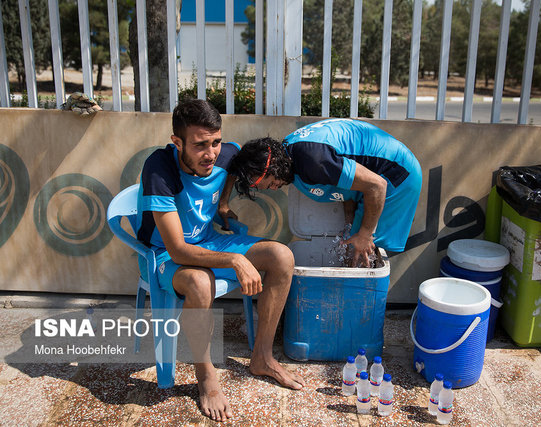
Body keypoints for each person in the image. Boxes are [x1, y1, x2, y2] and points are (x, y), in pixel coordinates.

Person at [136, 99, 304, 422]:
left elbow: (232, 159)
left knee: (282, 256)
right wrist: (234, 261)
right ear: (177, 142)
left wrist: (223, 203)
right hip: (165, 256)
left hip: (209, 241)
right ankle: (205, 375)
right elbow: (178, 250)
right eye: (200, 145)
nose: (211, 153)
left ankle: (263, 357)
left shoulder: (224, 154)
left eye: (215, 141)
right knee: (200, 282)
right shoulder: (159, 169)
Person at [229, 118, 422, 267]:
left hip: (396, 174)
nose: (274, 188)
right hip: (375, 180)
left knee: (363, 254)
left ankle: (356, 312)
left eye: (270, 184)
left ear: (270, 167)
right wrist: (349, 222)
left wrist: (364, 234)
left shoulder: (313, 162)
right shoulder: (289, 152)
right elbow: (346, 185)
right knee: (351, 247)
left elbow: (376, 186)